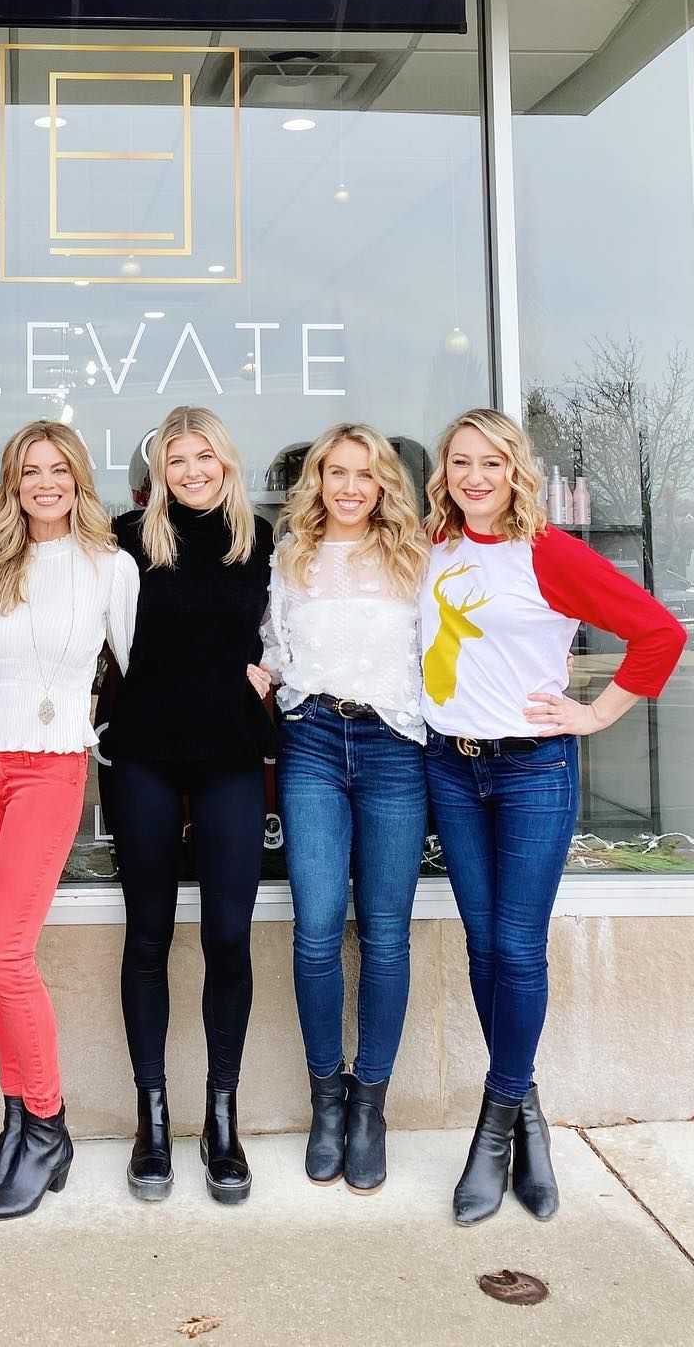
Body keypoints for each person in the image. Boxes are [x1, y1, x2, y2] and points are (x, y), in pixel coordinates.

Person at [420, 408, 685, 1227]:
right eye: (460, 462)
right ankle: (526, 1108)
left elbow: (658, 633)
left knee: (518, 944)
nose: (473, 477)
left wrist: (595, 715)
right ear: (445, 473)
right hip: (451, 764)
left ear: (515, 471)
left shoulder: (550, 553)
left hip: (532, 768)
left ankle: (492, 1131)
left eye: (490, 463)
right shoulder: (432, 548)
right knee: (483, 940)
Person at [0, 421, 138, 1220]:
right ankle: (15, 1123)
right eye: (29, 469)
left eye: (57, 467)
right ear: (13, 482)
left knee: (8, 952)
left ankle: (50, 1123)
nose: (43, 481)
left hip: (52, 765)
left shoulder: (110, 567)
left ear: (78, 477)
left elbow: (141, 670)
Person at [104, 406, 274, 1205]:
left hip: (231, 758)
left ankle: (221, 1114)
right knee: (148, 935)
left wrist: (275, 670)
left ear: (227, 462)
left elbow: (299, 628)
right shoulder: (126, 536)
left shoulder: (261, 543)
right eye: (178, 459)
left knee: (229, 936)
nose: (193, 470)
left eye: (205, 455)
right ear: (160, 471)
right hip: (143, 754)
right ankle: (152, 1114)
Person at [262, 424, 428, 1195]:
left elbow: (452, 645)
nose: (351, 486)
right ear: (318, 479)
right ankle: (326, 1099)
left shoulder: (415, 558)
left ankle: (371, 1105)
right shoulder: (291, 556)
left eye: (365, 474)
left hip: (395, 744)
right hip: (314, 742)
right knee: (320, 926)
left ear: (384, 483)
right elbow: (268, 646)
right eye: (337, 471)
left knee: (387, 933)